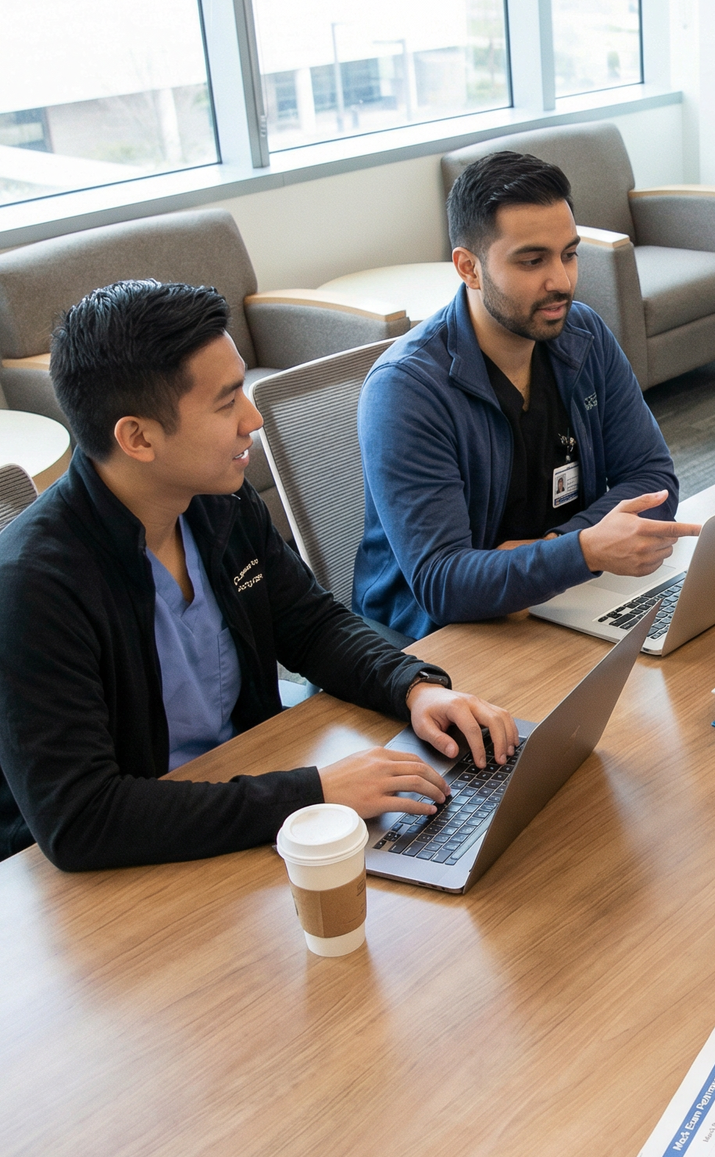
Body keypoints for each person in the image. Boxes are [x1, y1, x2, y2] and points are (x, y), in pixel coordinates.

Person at [0, 281, 520, 872]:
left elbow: (311, 625)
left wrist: (415, 688)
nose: (253, 419)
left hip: (241, 810)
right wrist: (311, 793)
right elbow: (83, 820)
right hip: (130, 864)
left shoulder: (215, 502)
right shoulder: (32, 586)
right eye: (226, 404)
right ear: (137, 437)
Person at [354, 149, 699, 640]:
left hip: (560, 598)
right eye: (532, 260)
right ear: (468, 268)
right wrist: (584, 550)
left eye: (569, 254)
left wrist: (558, 547)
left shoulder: (583, 335)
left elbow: (651, 478)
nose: (561, 280)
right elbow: (442, 582)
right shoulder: (405, 391)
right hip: (439, 641)